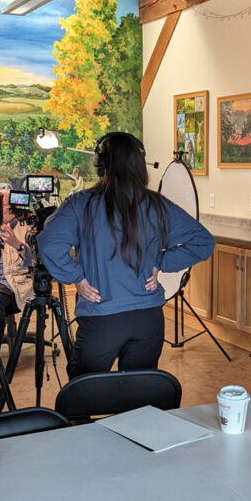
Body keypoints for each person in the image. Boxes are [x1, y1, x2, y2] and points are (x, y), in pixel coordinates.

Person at [38, 132, 215, 379]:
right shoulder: (158, 205)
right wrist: (160, 263)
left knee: (81, 396)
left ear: (101, 164)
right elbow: (203, 242)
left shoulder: (81, 204)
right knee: (139, 399)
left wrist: (77, 277)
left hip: (102, 319)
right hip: (148, 319)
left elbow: (48, 245)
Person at [0, 189, 34, 382]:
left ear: (11, 207)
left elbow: (36, 260)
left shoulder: (26, 226)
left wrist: (17, 244)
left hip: (12, 283)